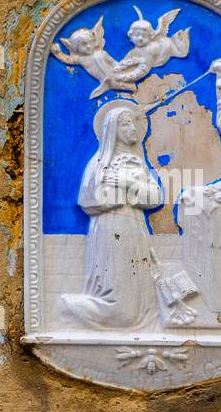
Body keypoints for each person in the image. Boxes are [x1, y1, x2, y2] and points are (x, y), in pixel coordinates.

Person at [61, 101, 162, 329]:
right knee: (120, 301)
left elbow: (155, 197)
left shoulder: (138, 163)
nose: (133, 129)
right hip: (111, 229)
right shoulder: (99, 164)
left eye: (133, 124)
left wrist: (126, 183)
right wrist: (121, 195)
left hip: (135, 230)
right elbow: (88, 199)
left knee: (138, 297)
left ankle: (133, 319)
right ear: (113, 130)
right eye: (126, 125)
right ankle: (70, 306)